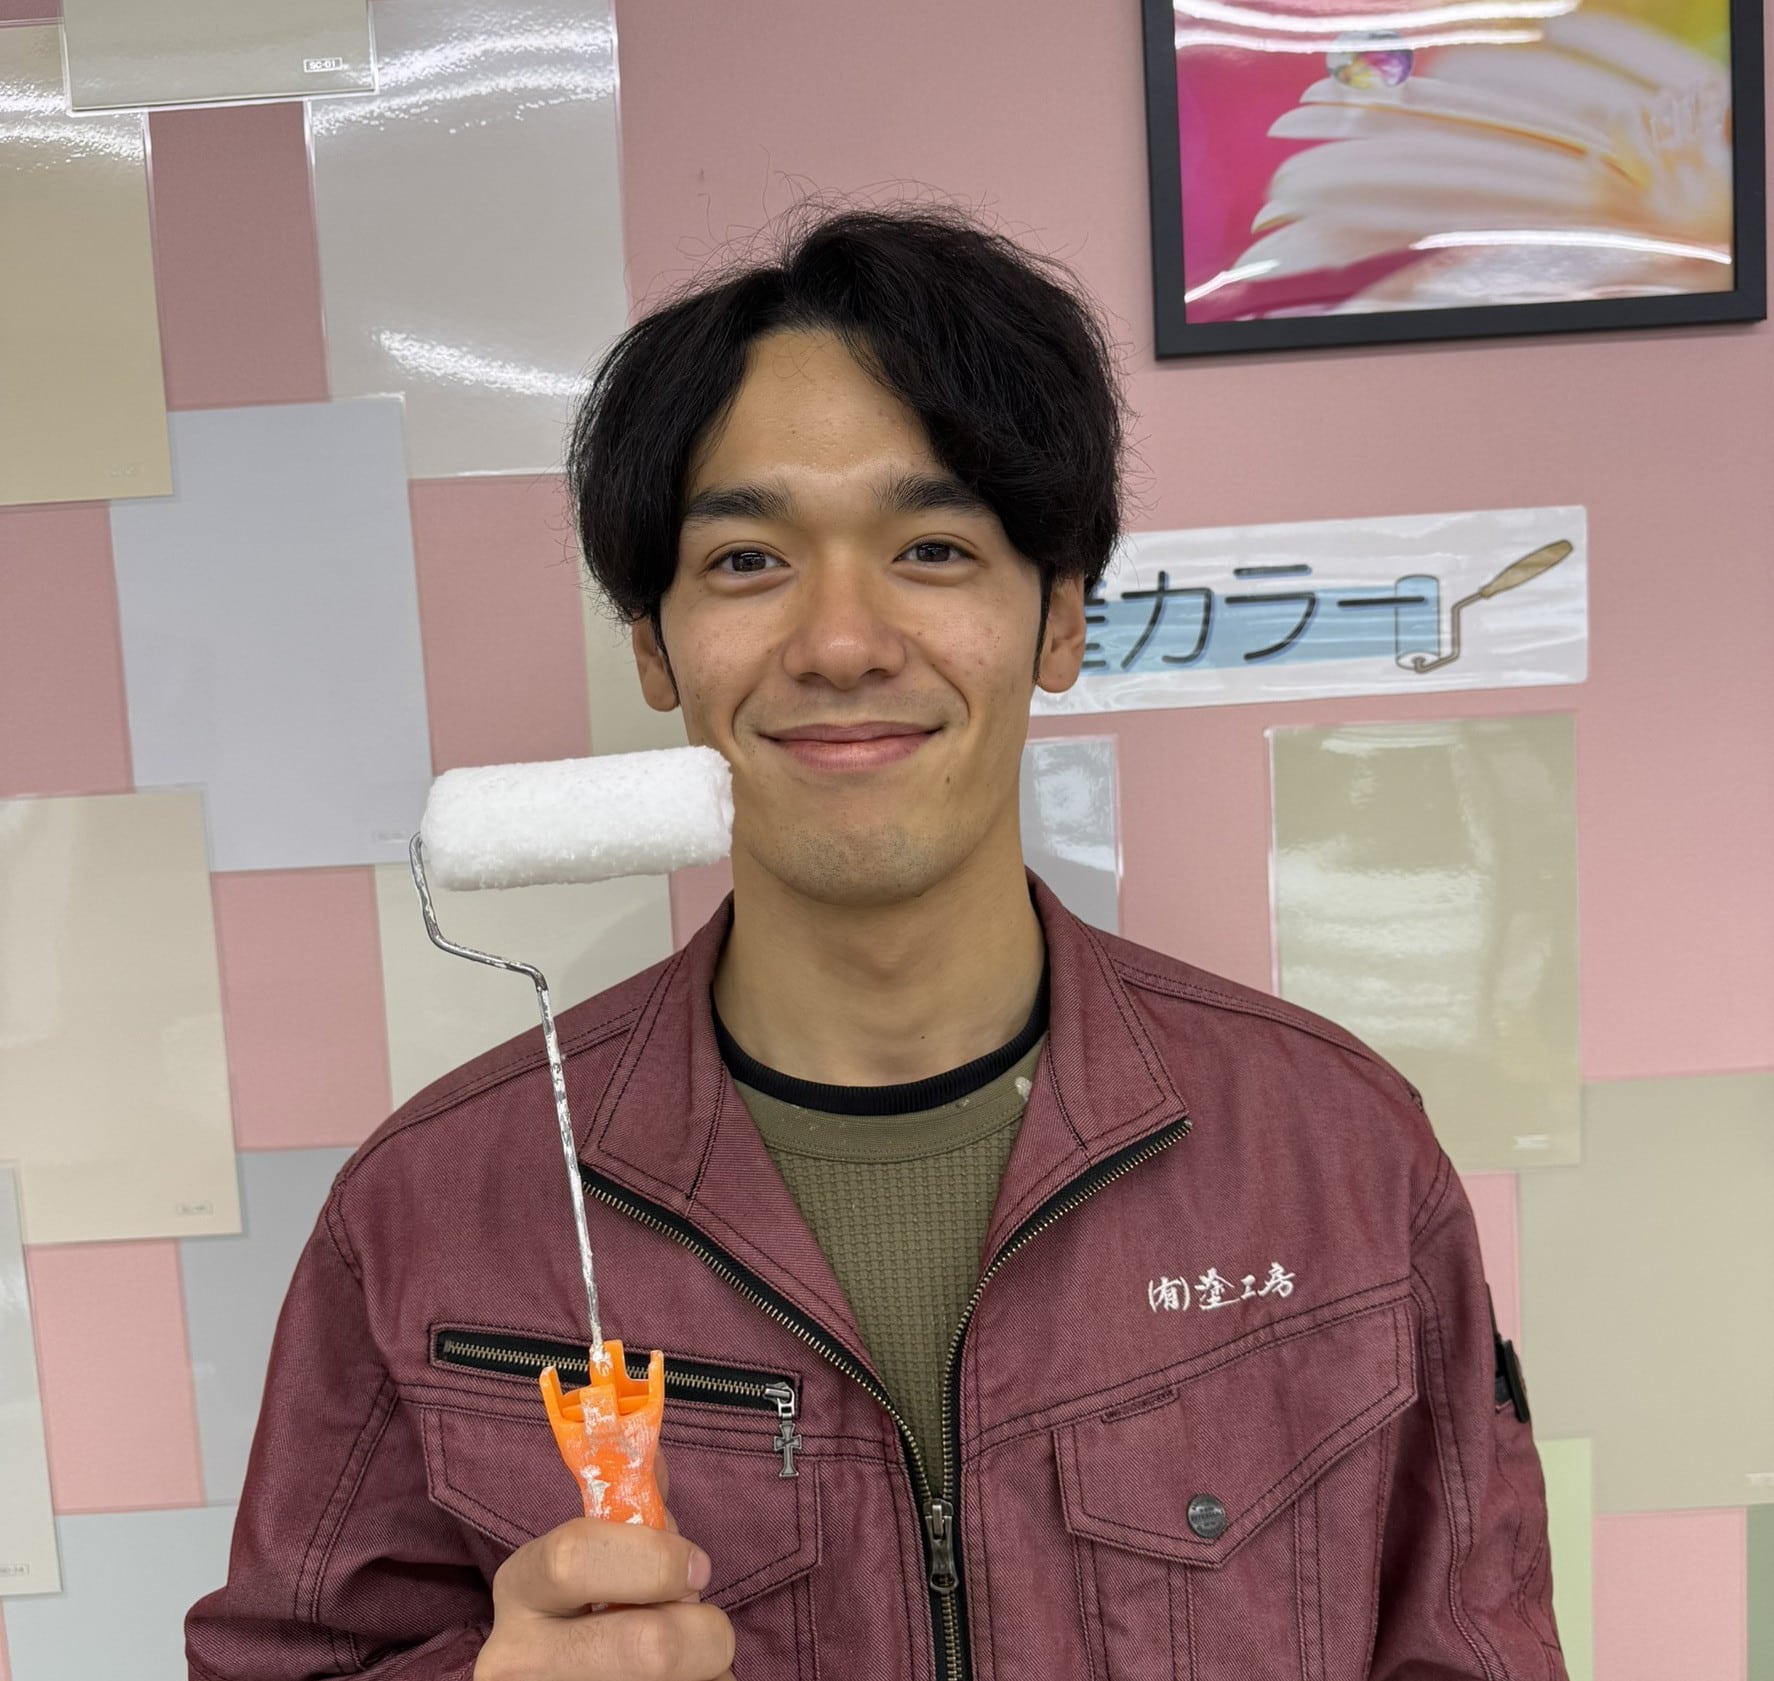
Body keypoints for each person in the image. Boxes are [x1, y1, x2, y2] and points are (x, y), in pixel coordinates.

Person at [187, 204, 1566, 1681]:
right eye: (746, 561)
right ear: (652, 644)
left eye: (932, 547)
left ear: (1059, 617)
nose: (841, 643)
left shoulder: (1334, 1151)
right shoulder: (428, 1212)